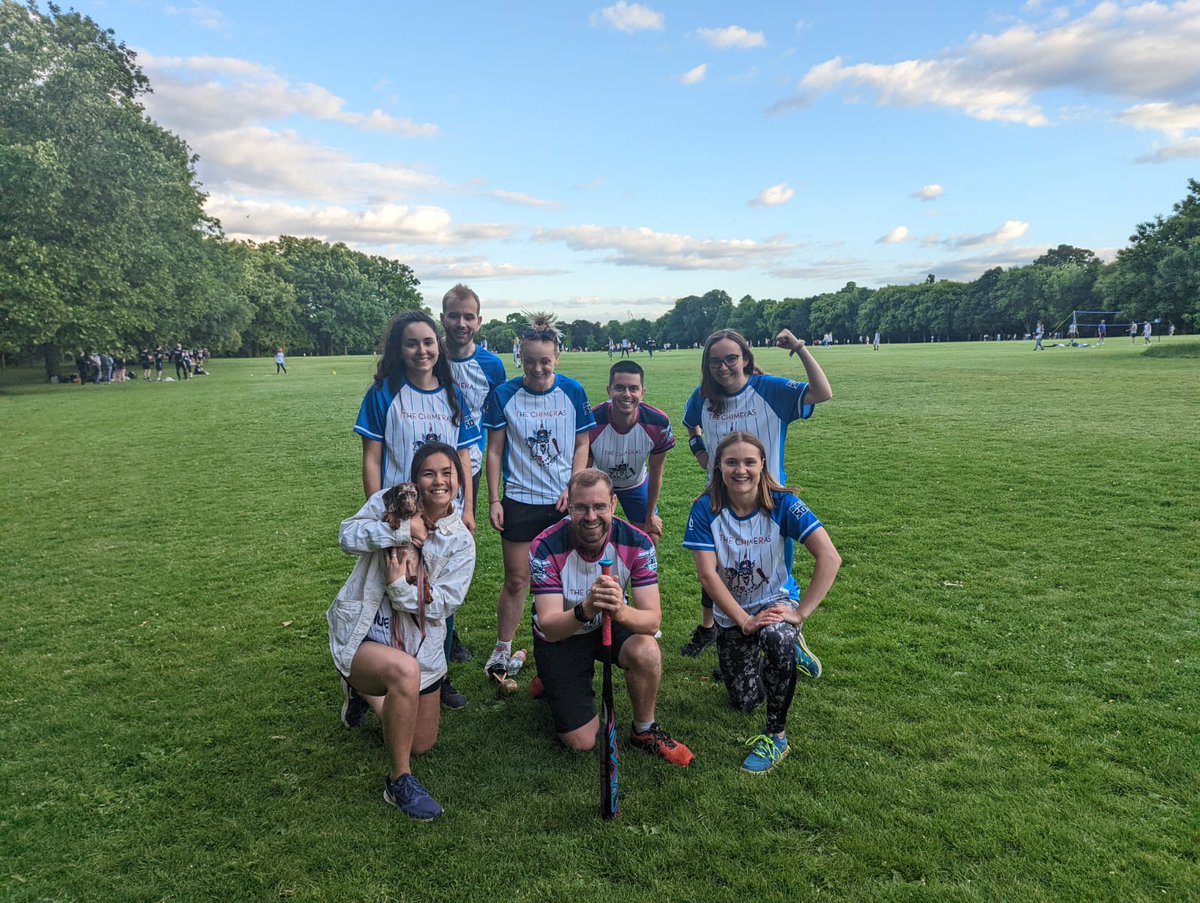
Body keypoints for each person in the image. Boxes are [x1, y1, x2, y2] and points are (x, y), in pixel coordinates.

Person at [328, 442, 475, 820]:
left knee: (420, 743)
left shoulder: (460, 541)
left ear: (459, 480)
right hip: (365, 635)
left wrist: (400, 589)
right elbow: (346, 537)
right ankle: (399, 781)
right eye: (429, 473)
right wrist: (399, 531)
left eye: (448, 473)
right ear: (415, 480)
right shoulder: (388, 503)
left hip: (418, 645)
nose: (439, 481)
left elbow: (446, 602)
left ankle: (362, 693)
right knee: (404, 674)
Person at [683, 432, 841, 773]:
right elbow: (708, 576)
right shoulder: (705, 508)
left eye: (749, 462)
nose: (741, 470)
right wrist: (744, 621)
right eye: (732, 462)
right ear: (718, 466)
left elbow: (830, 557)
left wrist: (800, 613)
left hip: (775, 603)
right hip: (734, 614)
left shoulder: (782, 503)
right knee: (746, 700)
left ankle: (776, 736)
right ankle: (777, 656)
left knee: (776, 637)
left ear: (762, 465)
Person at [679, 328, 832, 677]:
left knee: (773, 581)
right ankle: (739, 649)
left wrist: (799, 348)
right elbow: (691, 427)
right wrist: (702, 456)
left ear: (746, 358)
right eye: (715, 361)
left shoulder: (769, 390)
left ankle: (789, 635)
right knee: (723, 574)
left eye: (731, 358)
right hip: (720, 502)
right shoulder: (703, 398)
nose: (723, 367)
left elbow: (823, 392)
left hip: (768, 503)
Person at [354, 311, 480, 708]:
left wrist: (468, 510)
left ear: (438, 345)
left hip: (443, 513)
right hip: (403, 516)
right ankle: (367, 677)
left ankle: (436, 675)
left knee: (439, 593)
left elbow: (464, 456)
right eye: (411, 343)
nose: (421, 350)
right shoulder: (384, 392)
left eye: (428, 342)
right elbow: (372, 458)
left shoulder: (453, 393)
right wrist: (382, 515)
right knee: (392, 593)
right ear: (399, 348)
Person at [529, 469, 693, 765]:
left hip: (610, 621)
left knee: (646, 649)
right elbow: (550, 626)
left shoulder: (638, 542)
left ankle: (644, 730)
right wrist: (587, 608)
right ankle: (551, 677)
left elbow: (652, 620)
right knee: (582, 741)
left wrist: (618, 610)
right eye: (581, 507)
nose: (591, 516)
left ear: (613, 504)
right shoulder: (545, 546)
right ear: (569, 507)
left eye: (599, 506)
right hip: (563, 633)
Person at [483, 312, 594, 690]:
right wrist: (494, 499)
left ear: (557, 357)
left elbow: (582, 443)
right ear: (520, 357)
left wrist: (574, 486)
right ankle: (502, 649)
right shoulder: (504, 394)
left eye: (544, 361)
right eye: (529, 360)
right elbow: (494, 451)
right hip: (520, 500)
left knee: (565, 580)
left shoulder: (573, 391)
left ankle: (562, 645)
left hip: (563, 503)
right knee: (517, 579)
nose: (537, 368)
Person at [439, 284, 507, 676]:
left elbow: (498, 423)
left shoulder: (492, 366)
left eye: (469, 316)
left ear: (479, 321)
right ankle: (439, 632)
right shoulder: (430, 356)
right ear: (443, 318)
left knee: (456, 547)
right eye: (454, 315)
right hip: (427, 468)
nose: (461, 323)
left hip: (471, 466)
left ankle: (448, 632)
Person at [587, 361, 673, 546]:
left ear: (642, 392)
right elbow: (584, 472)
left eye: (633, 388)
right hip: (598, 483)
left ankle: (641, 567)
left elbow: (656, 472)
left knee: (651, 534)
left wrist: (650, 515)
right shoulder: (592, 421)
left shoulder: (658, 423)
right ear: (609, 390)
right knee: (591, 536)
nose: (626, 394)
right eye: (619, 388)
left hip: (634, 483)